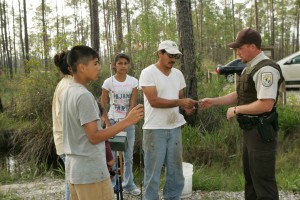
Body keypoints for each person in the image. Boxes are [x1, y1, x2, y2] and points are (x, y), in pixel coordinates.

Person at [200, 28, 284, 200]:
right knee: (251, 180)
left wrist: (236, 110)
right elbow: (240, 95)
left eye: (240, 48)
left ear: (253, 46)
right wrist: (213, 101)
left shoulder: (266, 69)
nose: (237, 52)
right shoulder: (249, 67)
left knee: (263, 182)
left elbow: (266, 104)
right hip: (250, 131)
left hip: (261, 132)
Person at [61, 45, 144, 200]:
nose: (99, 67)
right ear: (81, 67)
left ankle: (128, 183)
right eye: (95, 63)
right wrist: (127, 121)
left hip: (75, 171)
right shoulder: (84, 96)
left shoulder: (68, 92)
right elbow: (94, 136)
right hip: (91, 173)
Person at [139, 40, 197, 200]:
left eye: (175, 57)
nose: (172, 59)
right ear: (160, 53)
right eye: (170, 55)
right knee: (153, 172)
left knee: (175, 171)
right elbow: (154, 101)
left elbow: (180, 98)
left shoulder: (178, 74)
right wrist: (180, 103)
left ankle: (173, 197)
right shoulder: (148, 73)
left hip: (174, 127)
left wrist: (187, 108)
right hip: (154, 129)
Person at [100, 52, 141, 195]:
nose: (123, 66)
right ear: (115, 65)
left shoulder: (133, 82)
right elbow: (102, 105)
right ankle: (111, 185)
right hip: (112, 120)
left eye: (125, 63)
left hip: (128, 121)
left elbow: (132, 103)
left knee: (128, 155)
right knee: (112, 156)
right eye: (120, 63)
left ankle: (129, 184)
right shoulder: (108, 82)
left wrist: (128, 120)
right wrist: (107, 124)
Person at [52, 50, 73, 200]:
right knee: (71, 183)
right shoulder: (68, 87)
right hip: (68, 144)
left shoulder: (68, 83)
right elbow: (69, 119)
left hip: (66, 143)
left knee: (70, 181)